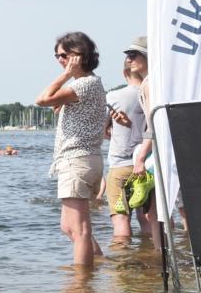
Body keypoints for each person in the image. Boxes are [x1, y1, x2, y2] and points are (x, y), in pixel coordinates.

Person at [35, 32, 105, 267]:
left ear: (79, 55)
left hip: (78, 159)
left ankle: (81, 284)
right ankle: (98, 263)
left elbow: (42, 99)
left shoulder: (85, 83)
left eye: (64, 55)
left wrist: (65, 75)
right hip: (80, 159)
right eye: (57, 56)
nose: (60, 60)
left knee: (80, 229)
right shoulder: (85, 85)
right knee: (68, 228)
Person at [104, 37, 149, 242]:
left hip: (121, 165)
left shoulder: (113, 97)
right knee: (147, 218)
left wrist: (111, 130)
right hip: (147, 165)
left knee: (121, 220)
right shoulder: (150, 91)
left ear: (124, 73)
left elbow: (101, 130)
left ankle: (122, 267)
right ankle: (152, 256)